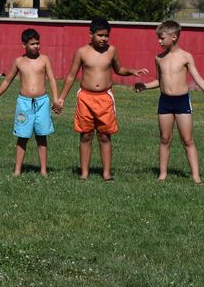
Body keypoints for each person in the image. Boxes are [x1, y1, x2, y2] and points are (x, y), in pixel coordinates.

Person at [55, 17, 148, 181]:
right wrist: (61, 98)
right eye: (100, 35)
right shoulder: (82, 52)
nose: (104, 39)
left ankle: (106, 174)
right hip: (85, 98)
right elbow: (70, 76)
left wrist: (131, 71)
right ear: (91, 34)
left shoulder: (111, 51)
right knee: (86, 135)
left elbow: (119, 69)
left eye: (106, 35)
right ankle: (84, 173)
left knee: (104, 135)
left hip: (105, 98)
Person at [134, 20, 204, 184]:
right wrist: (144, 86)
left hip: (182, 102)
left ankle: (196, 176)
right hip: (165, 102)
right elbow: (158, 81)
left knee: (187, 140)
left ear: (174, 37)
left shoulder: (185, 57)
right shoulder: (159, 58)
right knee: (164, 138)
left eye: (162, 38)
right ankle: (162, 174)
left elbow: (198, 79)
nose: (159, 41)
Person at [0, 28, 60, 176]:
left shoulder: (44, 59)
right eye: (32, 44)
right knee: (22, 137)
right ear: (24, 45)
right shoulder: (19, 62)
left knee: (42, 136)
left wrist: (56, 99)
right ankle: (17, 170)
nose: (36, 46)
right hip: (24, 104)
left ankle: (43, 170)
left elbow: (52, 79)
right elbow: (7, 81)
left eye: (38, 43)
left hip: (42, 103)